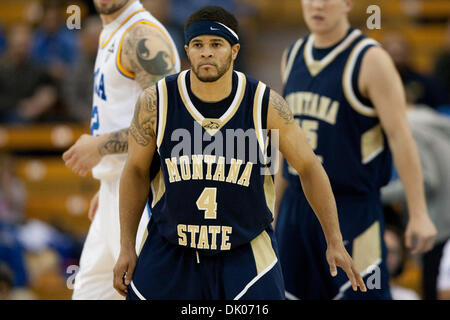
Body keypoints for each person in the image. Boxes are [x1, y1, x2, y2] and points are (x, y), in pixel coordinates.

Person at [113, 5, 366, 300]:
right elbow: (135, 171)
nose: (206, 52)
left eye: (216, 44)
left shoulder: (266, 103)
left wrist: (334, 239)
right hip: (172, 249)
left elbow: (309, 167)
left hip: (244, 253)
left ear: (234, 50)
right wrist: (127, 245)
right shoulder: (156, 101)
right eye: (198, 45)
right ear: (187, 50)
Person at [275, 0, 437, 300]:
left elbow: (401, 137)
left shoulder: (370, 59)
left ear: (348, 3)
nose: (318, 5)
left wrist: (418, 212)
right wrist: (272, 209)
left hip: (352, 209)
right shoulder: (292, 55)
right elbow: (287, 142)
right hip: (297, 209)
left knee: (363, 295)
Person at [62, 0, 180, 300]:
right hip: (114, 192)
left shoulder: (142, 37)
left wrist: (100, 146)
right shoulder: (111, 31)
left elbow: (171, 122)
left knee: (147, 294)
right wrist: (108, 180)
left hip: (145, 192)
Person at [382, 103, 450, 300]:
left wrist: (378, 194)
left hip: (437, 229)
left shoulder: (409, 127)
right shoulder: (428, 119)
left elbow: (426, 181)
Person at [0, 24, 58, 124]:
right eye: (19, 45)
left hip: (35, 116)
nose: (22, 50)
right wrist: (20, 105)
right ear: (9, 44)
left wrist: (48, 95)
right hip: (6, 118)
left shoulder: (35, 67)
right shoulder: (2, 67)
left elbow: (49, 87)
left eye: (25, 45)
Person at [384, 224, 420, 300]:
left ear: (400, 257)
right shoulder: (357, 294)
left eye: (392, 252)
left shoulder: (409, 297)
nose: (386, 256)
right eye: (383, 250)